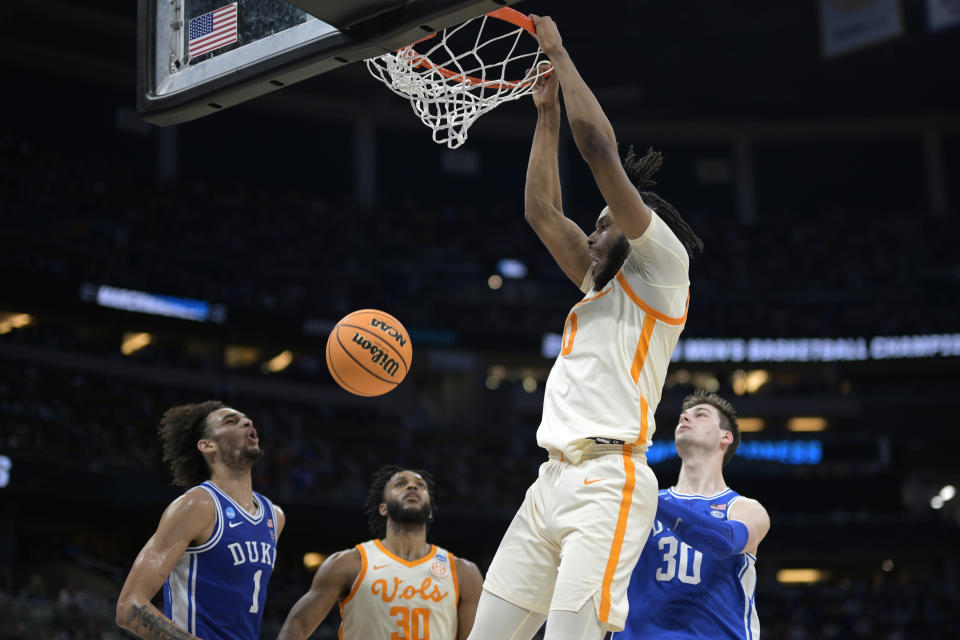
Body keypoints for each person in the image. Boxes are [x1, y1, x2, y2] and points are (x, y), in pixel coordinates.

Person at [467, 14, 705, 640]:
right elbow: (540, 211)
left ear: (638, 230)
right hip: (548, 481)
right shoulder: (598, 285)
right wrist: (543, 117)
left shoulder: (662, 272)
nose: (591, 233)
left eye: (602, 224)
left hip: (609, 481)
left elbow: (599, 151)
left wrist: (559, 52)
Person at [116, 401, 284, 640]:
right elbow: (129, 606)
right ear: (207, 445)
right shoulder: (197, 506)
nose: (247, 422)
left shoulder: (274, 516)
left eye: (247, 419)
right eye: (231, 421)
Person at [614, 391, 771, 639]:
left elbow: (722, 542)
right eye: (683, 416)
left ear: (725, 437)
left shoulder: (744, 508)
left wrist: (647, 498)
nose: (686, 418)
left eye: (701, 415)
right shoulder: (643, 500)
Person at [276, 465, 483, 640]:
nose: (412, 486)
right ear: (383, 508)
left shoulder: (463, 573)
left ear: (429, 511)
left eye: (421, 486)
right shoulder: (349, 563)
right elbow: (297, 626)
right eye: (400, 484)